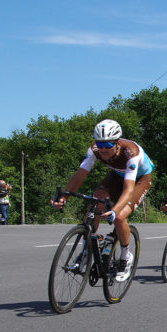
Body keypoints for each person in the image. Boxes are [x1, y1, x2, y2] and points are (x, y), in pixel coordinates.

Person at [51, 119, 153, 282]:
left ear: (118, 143)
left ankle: (126, 256)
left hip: (139, 179)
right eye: (100, 144)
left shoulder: (131, 152)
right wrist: (64, 197)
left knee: (119, 217)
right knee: (95, 200)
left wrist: (114, 211)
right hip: (116, 175)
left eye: (108, 145)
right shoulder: (94, 150)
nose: (103, 149)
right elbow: (80, 175)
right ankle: (87, 250)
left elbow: (128, 189)